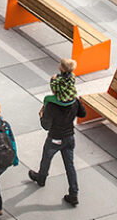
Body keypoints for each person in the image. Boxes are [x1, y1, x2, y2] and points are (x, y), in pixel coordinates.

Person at [28, 59, 86, 207]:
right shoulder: (74, 100)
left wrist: (41, 115)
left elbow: (46, 126)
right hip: (69, 137)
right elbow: (83, 113)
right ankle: (74, 193)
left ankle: (41, 178)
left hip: (55, 137)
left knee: (46, 158)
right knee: (70, 166)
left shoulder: (51, 104)